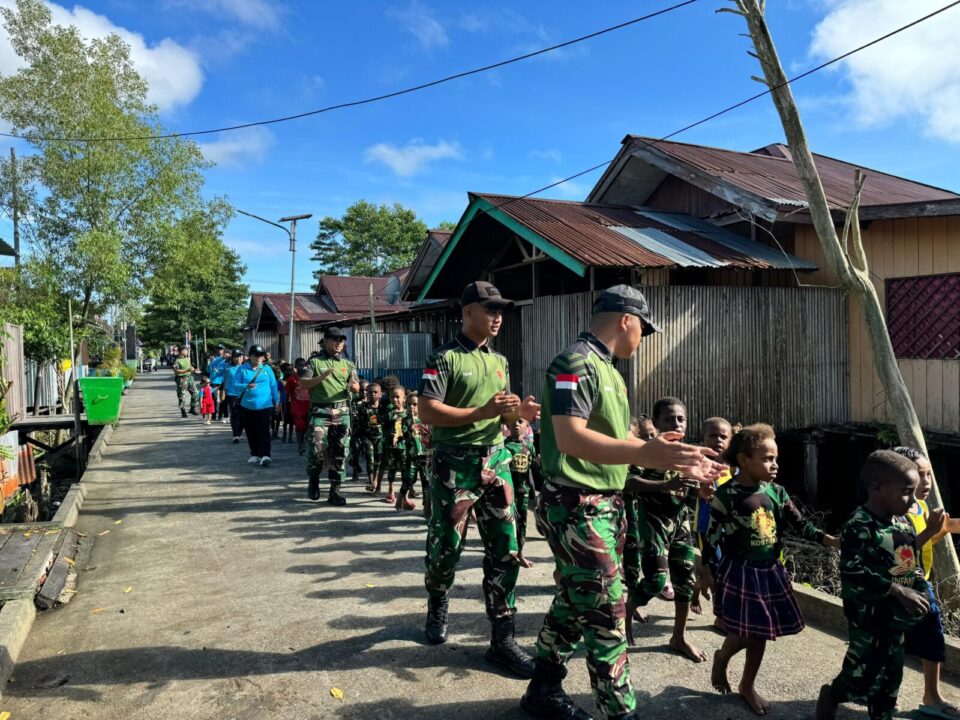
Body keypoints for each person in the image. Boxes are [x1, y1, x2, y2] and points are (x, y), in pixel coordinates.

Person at [521, 285, 722, 720]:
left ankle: (542, 690)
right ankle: (620, 712)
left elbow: (617, 440)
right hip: (576, 504)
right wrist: (641, 452)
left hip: (605, 504)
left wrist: (673, 456)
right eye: (643, 329)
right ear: (626, 320)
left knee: (576, 603)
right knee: (608, 614)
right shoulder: (574, 362)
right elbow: (571, 437)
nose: (641, 339)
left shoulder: (609, 370)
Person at [419, 280, 540, 678]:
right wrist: (482, 412)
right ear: (468, 311)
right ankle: (438, 601)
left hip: (497, 461)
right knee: (446, 547)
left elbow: (503, 416)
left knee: (506, 550)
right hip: (454, 465)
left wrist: (518, 417)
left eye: (501, 310)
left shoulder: (499, 361)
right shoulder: (445, 358)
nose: (497, 316)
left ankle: (502, 640)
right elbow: (428, 413)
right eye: (490, 309)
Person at [700, 423, 838, 716]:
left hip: (771, 570)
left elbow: (799, 523)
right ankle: (723, 657)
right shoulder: (727, 495)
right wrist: (707, 571)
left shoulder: (776, 491)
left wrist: (827, 539)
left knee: (761, 633)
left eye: (775, 459)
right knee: (749, 632)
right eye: (766, 459)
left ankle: (746, 685)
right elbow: (712, 536)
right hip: (740, 571)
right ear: (743, 460)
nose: (774, 465)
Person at [817, 450, 933, 720]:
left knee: (893, 670)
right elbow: (853, 569)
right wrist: (897, 590)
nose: (912, 499)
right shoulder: (860, 525)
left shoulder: (902, 522)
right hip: (868, 614)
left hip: (896, 616)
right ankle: (833, 695)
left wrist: (919, 586)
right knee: (861, 670)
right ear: (878, 488)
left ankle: (882, 713)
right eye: (906, 491)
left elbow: (909, 558)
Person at [623, 397, 706, 663]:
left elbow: (691, 487)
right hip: (653, 523)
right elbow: (627, 482)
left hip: (679, 523)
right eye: (669, 419)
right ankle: (628, 608)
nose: (676, 423)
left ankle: (678, 637)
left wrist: (702, 490)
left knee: (685, 581)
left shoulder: (689, 454)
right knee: (657, 580)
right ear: (656, 424)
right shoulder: (646, 451)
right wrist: (663, 487)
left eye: (681, 419)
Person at [891, 446, 955, 719]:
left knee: (933, 635)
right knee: (889, 644)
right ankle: (878, 693)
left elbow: (939, 531)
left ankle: (931, 696)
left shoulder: (921, 505)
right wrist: (930, 530)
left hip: (921, 583)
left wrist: (936, 529)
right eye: (920, 474)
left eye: (929, 474)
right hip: (895, 586)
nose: (927, 482)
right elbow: (901, 549)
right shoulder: (894, 510)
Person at [300, 327, 360, 505]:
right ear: (325, 341)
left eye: (341, 340)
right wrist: (322, 377)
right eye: (335, 339)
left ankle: (335, 491)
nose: (339, 343)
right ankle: (314, 479)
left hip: (342, 413)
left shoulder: (348, 364)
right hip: (320, 412)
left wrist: (354, 387)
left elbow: (356, 385)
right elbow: (303, 383)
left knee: (341, 452)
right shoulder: (314, 362)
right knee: (317, 451)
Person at [693, 417, 734, 621]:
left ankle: (698, 585)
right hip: (706, 527)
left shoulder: (734, 469)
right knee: (716, 571)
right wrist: (699, 492)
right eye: (713, 435)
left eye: (723, 436)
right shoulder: (698, 466)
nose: (718, 440)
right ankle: (721, 618)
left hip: (729, 530)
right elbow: (685, 493)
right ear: (703, 439)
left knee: (725, 571)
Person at [236, 345, 279, 466]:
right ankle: (255, 454)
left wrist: (276, 401)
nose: (259, 357)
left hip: (265, 405)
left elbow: (273, 386)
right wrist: (246, 386)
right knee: (251, 431)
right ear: (249, 356)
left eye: (261, 355)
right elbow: (234, 385)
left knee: (263, 430)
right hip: (247, 406)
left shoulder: (267, 369)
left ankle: (265, 454)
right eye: (256, 355)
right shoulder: (242, 369)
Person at [504, 415, 536, 568]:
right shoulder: (504, 446)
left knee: (522, 523)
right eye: (513, 421)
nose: (516, 424)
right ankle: (506, 553)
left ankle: (520, 553)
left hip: (523, 492)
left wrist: (532, 491)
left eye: (520, 421)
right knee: (507, 523)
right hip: (507, 493)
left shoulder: (529, 446)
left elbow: (532, 468)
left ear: (527, 425)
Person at [381, 385, 412, 509]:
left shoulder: (407, 414)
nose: (395, 400)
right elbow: (383, 429)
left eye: (397, 397)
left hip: (405, 447)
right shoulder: (389, 414)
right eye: (392, 397)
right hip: (392, 447)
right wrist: (390, 435)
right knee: (392, 469)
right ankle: (391, 490)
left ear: (404, 398)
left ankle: (405, 496)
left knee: (406, 471)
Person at [404, 391, 431, 518]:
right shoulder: (404, 421)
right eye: (409, 404)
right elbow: (400, 436)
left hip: (425, 455)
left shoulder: (427, 420)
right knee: (410, 478)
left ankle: (427, 507)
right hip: (411, 456)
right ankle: (402, 499)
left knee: (426, 481)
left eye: (415, 404)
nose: (411, 407)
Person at [363, 383, 385, 494]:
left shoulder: (383, 407)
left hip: (380, 438)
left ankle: (376, 480)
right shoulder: (363, 408)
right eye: (370, 392)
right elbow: (359, 424)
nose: (373, 394)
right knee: (370, 460)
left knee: (378, 461)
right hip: (368, 438)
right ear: (366, 393)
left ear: (380, 394)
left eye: (375, 392)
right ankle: (372, 483)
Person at [223, 350, 245, 443]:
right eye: (236, 357)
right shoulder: (229, 369)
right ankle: (235, 434)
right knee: (235, 414)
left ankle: (239, 432)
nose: (238, 359)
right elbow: (225, 382)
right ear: (232, 358)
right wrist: (225, 393)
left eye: (240, 356)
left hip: (244, 394)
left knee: (243, 415)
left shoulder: (246, 368)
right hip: (232, 394)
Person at [173, 346, 198, 418]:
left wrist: (195, 370)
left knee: (196, 393)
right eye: (186, 350)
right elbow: (176, 371)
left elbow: (189, 368)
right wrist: (187, 371)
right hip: (182, 379)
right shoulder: (177, 361)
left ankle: (192, 408)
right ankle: (183, 411)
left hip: (190, 378)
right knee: (182, 396)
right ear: (181, 351)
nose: (187, 351)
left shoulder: (188, 358)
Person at [206, 344, 227, 422]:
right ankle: (214, 414)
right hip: (214, 381)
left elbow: (226, 370)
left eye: (221, 349)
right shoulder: (213, 359)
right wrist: (209, 363)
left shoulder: (226, 359)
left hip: (223, 381)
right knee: (214, 398)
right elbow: (208, 370)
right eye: (218, 349)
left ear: (223, 350)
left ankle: (221, 415)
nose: (219, 350)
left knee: (223, 399)